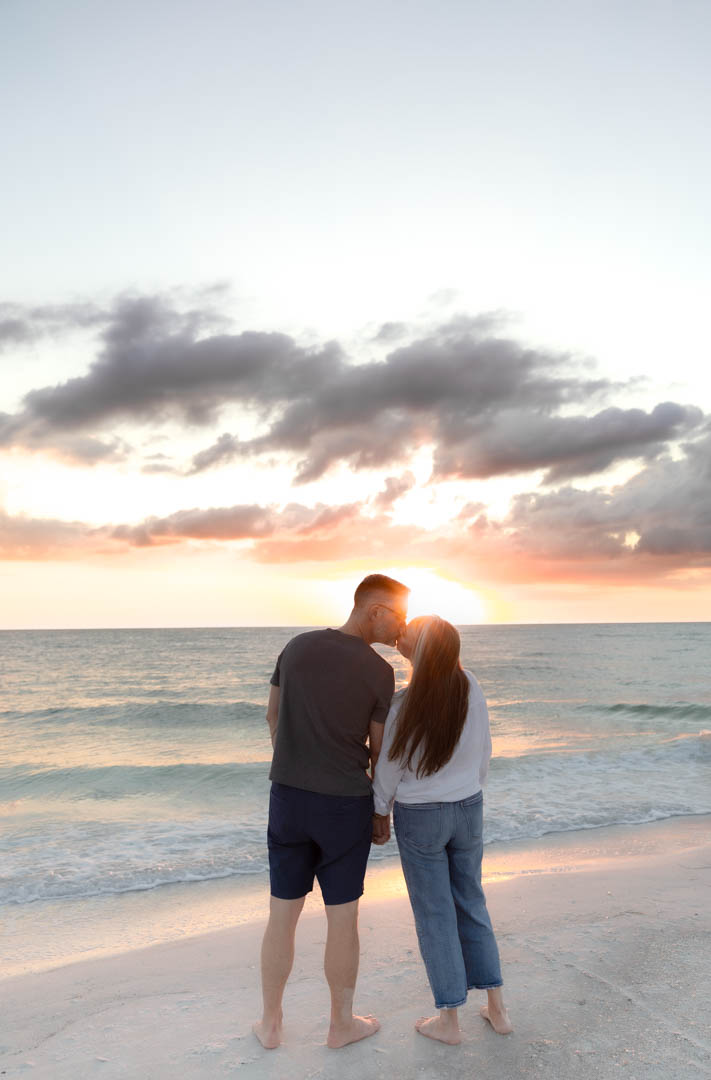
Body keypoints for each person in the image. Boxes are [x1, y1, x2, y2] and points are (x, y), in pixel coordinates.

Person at [253, 573, 409, 1050]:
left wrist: (294, 763)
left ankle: (271, 1024)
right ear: (375, 610)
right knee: (343, 918)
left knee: (282, 913)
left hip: (288, 799)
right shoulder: (380, 673)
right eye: (398, 616)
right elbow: (380, 751)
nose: (400, 630)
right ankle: (341, 1024)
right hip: (344, 806)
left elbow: (272, 716)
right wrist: (381, 812)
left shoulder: (296, 647)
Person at [372, 614, 512, 1045]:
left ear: (421, 651)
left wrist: (380, 812)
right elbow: (485, 748)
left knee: (436, 915)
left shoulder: (403, 703)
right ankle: (497, 1010)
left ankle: (449, 1020)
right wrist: (471, 789)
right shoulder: (470, 684)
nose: (401, 638)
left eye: (408, 636)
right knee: (471, 902)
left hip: (422, 817)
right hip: (469, 808)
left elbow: (389, 769)